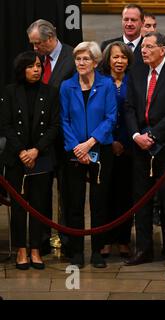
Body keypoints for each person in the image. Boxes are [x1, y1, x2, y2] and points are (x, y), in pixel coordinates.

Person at [124, 31, 165, 268]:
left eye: (149, 46)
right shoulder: (136, 72)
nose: (144, 50)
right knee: (140, 201)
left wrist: (153, 135)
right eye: (143, 46)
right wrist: (136, 136)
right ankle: (143, 249)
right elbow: (129, 108)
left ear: (162, 50)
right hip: (139, 147)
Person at [0, 51, 60, 270]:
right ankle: (21, 250)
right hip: (16, 159)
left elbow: (55, 126)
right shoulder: (10, 92)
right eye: (31, 66)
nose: (36, 69)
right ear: (21, 69)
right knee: (18, 207)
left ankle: (35, 249)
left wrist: (36, 150)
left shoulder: (51, 92)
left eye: (38, 66)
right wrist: (22, 152)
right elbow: (5, 125)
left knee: (38, 205)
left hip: (41, 157)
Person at [60, 41, 117, 269]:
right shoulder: (67, 86)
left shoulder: (107, 84)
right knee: (74, 203)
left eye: (85, 59)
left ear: (95, 62)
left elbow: (111, 118)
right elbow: (64, 120)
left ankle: (96, 250)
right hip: (74, 152)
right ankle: (76, 252)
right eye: (78, 59)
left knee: (99, 202)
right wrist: (78, 147)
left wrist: (91, 143)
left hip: (100, 149)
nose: (81, 63)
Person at [27, 18, 76, 256]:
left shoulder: (73, 56)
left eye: (37, 44)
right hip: (41, 140)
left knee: (67, 192)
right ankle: (43, 240)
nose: (34, 49)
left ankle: (68, 241)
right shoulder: (36, 61)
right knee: (41, 192)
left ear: (49, 39)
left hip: (65, 137)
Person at [99, 41, 134, 259]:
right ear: (108, 59)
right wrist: (111, 140)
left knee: (126, 195)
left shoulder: (134, 81)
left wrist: (124, 141)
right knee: (105, 194)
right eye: (115, 57)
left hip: (129, 146)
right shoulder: (101, 81)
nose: (119, 61)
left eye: (123, 57)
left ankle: (123, 239)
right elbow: (98, 114)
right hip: (105, 144)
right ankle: (104, 240)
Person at [27, 19, 76, 88]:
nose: (35, 48)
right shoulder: (37, 57)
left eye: (37, 43)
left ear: (49, 37)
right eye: (33, 44)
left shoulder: (73, 58)